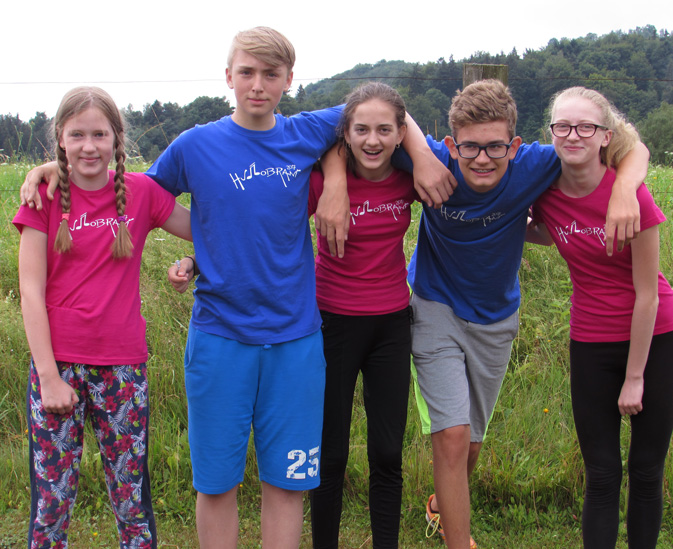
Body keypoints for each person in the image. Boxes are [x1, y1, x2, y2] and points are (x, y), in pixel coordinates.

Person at [22, 28, 453, 548]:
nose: (257, 85)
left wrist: (408, 159)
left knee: (288, 483)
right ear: (228, 76)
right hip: (219, 340)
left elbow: (384, 108)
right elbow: (129, 191)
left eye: (271, 74)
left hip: (295, 341)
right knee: (216, 483)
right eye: (246, 72)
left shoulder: (306, 131)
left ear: (289, 80)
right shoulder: (194, 146)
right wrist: (58, 167)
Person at [393, 79, 649, 549]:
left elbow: (633, 146)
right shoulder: (431, 159)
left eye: (496, 147)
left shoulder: (536, 163)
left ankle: (442, 502)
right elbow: (381, 108)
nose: (483, 159)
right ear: (450, 143)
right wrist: (423, 157)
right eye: (470, 147)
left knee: (471, 442)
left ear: (514, 145)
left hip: (495, 319)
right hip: (434, 305)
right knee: (452, 436)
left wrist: (625, 190)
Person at [13, 86, 192, 549]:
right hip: (57, 367)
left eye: (99, 135)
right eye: (77, 135)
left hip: (122, 367)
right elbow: (30, 292)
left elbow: (208, 231)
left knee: (132, 504)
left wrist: (194, 263)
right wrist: (48, 378)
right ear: (60, 137)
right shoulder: (43, 196)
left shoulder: (141, 193)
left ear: (117, 139)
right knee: (50, 507)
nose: (88, 146)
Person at [527, 87, 673, 549]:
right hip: (590, 339)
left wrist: (635, 377)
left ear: (605, 136)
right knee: (602, 471)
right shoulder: (546, 193)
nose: (573, 135)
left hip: (655, 338)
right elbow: (546, 232)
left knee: (646, 468)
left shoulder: (630, 196)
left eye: (585, 127)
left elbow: (647, 295)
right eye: (563, 126)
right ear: (551, 132)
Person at [306, 82, 417, 549]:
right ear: (345, 134)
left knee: (387, 453)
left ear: (401, 134)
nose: (373, 140)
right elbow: (267, 227)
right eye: (362, 130)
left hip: (392, 325)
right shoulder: (320, 182)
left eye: (384, 130)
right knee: (330, 454)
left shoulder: (410, 177)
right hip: (332, 322)